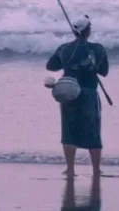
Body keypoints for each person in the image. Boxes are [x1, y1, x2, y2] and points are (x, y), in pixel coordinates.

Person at [46, 14, 110, 176]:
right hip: (89, 93)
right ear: (88, 31)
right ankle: (96, 170)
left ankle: (70, 169)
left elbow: (51, 66)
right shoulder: (98, 49)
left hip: (69, 93)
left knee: (69, 131)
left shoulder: (64, 48)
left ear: (74, 32)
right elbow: (104, 72)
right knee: (93, 131)